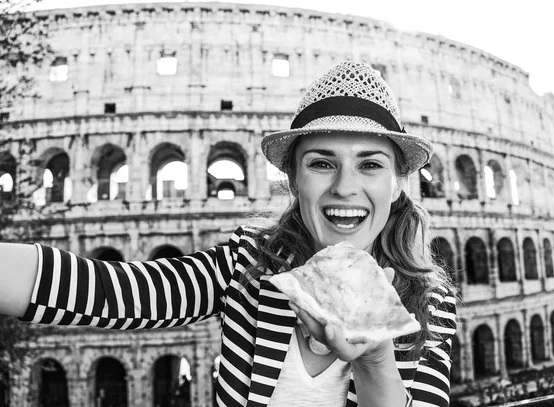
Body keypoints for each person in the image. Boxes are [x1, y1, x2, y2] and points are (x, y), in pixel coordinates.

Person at [0, 61, 456, 407]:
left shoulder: (429, 302)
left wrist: (375, 360)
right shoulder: (248, 266)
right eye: (321, 162)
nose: (345, 186)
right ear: (295, 181)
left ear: (395, 185)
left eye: (370, 165)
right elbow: (114, 292)